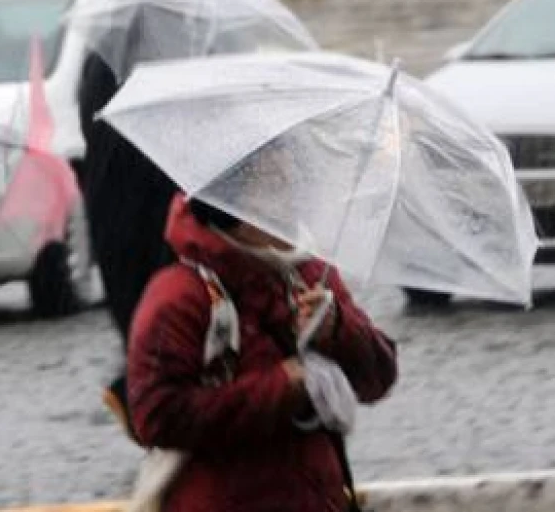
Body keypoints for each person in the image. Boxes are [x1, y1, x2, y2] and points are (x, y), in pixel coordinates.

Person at [126, 192, 398, 511]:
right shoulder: (180, 293)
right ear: (232, 207)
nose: (293, 202)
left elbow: (379, 377)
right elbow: (157, 416)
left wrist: (340, 330)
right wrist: (282, 386)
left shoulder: (311, 276)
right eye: (274, 186)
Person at [77, 46, 178, 436]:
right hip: (149, 204)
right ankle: (149, 404)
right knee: (162, 315)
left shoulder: (99, 60)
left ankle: (140, 395)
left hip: (112, 205)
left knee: (139, 315)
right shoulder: (155, 66)